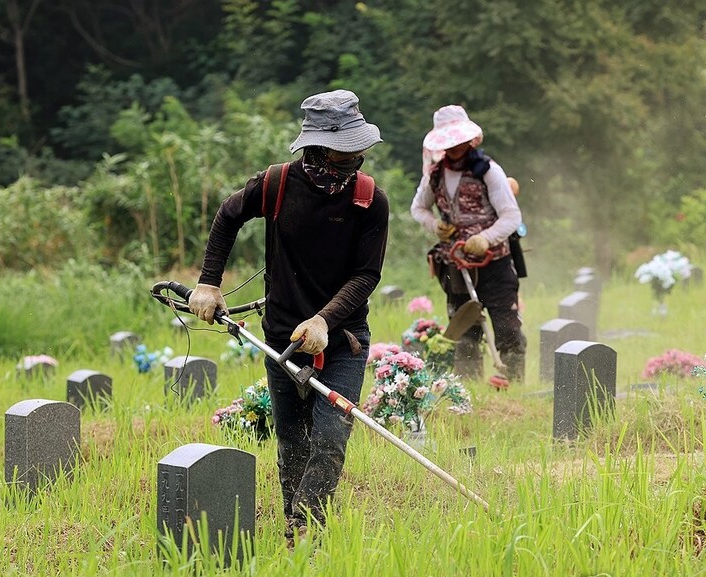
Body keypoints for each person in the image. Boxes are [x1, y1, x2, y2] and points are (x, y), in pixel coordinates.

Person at [188, 90, 389, 548]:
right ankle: (292, 529)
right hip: (281, 336)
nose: (353, 161)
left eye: (358, 152)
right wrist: (208, 281)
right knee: (292, 441)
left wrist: (323, 321)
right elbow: (227, 215)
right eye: (344, 153)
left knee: (331, 439)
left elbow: (366, 274)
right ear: (317, 148)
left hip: (344, 341)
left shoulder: (369, 200)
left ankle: (307, 532)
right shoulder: (277, 184)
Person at [410, 105, 526, 382]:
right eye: (448, 142)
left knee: (507, 327)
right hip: (456, 264)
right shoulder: (434, 175)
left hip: (494, 263)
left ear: (469, 139)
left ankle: (513, 385)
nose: (454, 147)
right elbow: (418, 208)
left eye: (458, 140)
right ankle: (468, 389)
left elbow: (512, 216)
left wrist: (485, 238)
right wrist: (435, 226)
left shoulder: (489, 171)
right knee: (464, 330)